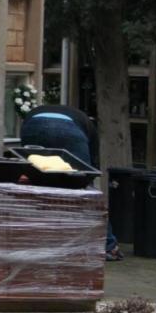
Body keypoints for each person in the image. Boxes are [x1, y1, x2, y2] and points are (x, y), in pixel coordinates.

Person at [20, 104, 122, 261]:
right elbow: (92, 167)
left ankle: (35, 238)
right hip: (68, 130)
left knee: (37, 185)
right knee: (85, 192)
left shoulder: (80, 120)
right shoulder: (89, 126)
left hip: (33, 124)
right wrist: (84, 180)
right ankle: (109, 246)